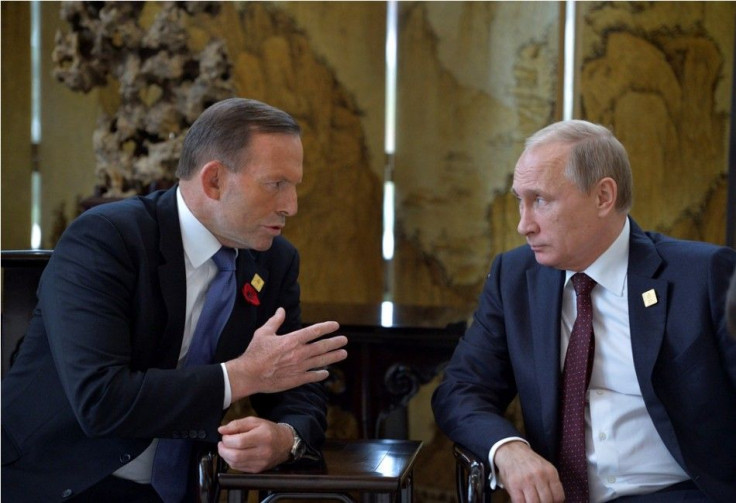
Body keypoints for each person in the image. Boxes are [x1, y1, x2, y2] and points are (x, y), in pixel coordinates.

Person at [1, 98, 348, 502]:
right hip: (60, 480)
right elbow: (100, 400)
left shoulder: (274, 259)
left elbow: (296, 379)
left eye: (294, 185)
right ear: (214, 180)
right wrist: (241, 375)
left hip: (181, 488)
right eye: (275, 184)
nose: (291, 205)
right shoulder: (106, 239)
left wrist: (284, 437)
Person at [432, 120, 736, 503]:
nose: (523, 224)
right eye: (519, 201)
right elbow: (461, 388)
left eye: (540, 200)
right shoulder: (515, 277)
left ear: (603, 196)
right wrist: (508, 449)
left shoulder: (704, 276)